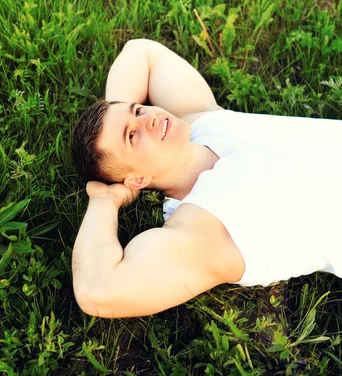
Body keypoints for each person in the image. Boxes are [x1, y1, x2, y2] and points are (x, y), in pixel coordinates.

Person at [71, 38, 341, 319]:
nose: (147, 119)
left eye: (137, 110)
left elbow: (141, 52)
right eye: (131, 136)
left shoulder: (203, 122)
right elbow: (98, 291)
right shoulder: (201, 229)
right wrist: (105, 199)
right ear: (137, 179)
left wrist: (115, 108)